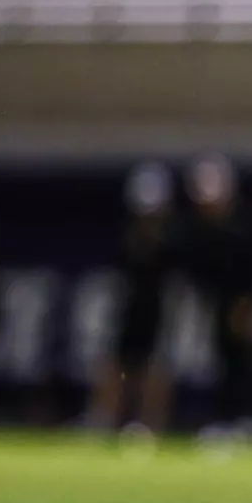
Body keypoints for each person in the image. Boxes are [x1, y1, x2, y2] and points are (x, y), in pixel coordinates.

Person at [177, 154, 252, 439]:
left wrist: (247, 306)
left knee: (244, 361)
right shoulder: (199, 230)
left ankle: (250, 421)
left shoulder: (246, 225)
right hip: (216, 306)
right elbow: (197, 271)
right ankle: (225, 421)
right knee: (219, 362)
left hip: (246, 305)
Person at [86, 162, 178, 437]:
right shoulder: (127, 240)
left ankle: (150, 426)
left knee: (155, 370)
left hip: (160, 315)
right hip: (128, 313)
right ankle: (104, 422)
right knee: (116, 366)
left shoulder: (173, 242)